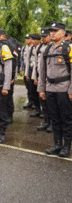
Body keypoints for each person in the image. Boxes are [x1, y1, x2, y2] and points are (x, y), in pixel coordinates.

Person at [38, 22, 72, 157]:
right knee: (54, 118)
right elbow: (42, 71)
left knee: (66, 118)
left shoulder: (68, 48)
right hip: (50, 88)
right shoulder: (47, 49)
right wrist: (41, 89)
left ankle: (66, 146)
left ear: (63, 33)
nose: (52, 33)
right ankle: (57, 144)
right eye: (51, 31)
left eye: (56, 31)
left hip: (64, 89)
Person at [32, 29, 52, 132]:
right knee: (43, 101)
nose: (43, 38)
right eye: (42, 36)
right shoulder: (41, 47)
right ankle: (46, 122)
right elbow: (36, 64)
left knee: (51, 104)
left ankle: (52, 124)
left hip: (52, 79)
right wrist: (35, 77)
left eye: (45, 36)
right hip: (42, 77)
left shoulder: (54, 47)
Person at [26, 34, 42, 117]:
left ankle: (42, 111)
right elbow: (29, 61)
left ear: (39, 40)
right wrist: (27, 73)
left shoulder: (41, 48)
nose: (33, 41)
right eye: (32, 39)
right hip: (32, 71)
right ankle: (37, 109)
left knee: (40, 93)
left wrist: (37, 77)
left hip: (40, 72)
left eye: (35, 39)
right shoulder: (32, 48)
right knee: (33, 91)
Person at [21, 34, 33, 109]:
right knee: (28, 87)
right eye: (26, 38)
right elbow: (21, 59)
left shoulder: (33, 48)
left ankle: (35, 103)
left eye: (28, 38)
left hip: (32, 69)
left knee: (33, 88)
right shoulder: (24, 48)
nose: (27, 40)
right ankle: (30, 101)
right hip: (26, 69)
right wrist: (21, 69)